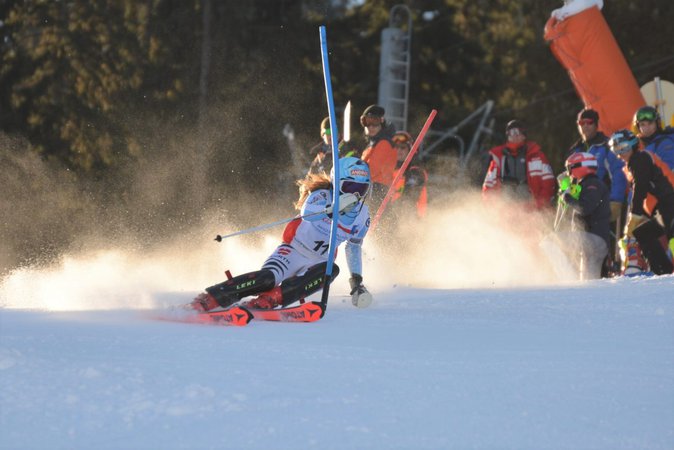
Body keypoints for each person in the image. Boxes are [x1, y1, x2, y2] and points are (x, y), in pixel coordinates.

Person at [190, 157, 374, 311]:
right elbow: (307, 213)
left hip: (319, 261)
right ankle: (212, 297)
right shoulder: (322, 196)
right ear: (336, 184)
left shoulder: (362, 216)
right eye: (350, 187)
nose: (356, 195)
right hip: (293, 251)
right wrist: (330, 210)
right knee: (267, 279)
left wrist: (356, 280)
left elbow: (354, 246)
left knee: (331, 270)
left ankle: (270, 300)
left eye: (362, 189)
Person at [608, 129, 674, 275]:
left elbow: (641, 187)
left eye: (623, 147)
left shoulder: (640, 158)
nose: (620, 153)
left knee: (664, 235)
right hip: (662, 207)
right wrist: (640, 213)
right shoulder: (633, 163)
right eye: (616, 150)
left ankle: (664, 271)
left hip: (669, 204)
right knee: (644, 233)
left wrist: (635, 214)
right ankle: (663, 271)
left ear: (633, 145)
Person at [556, 152, 611, 279]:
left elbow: (585, 208)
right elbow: (568, 212)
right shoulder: (583, 185)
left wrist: (568, 197)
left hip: (594, 239)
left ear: (579, 167)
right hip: (587, 239)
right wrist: (565, 190)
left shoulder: (593, 185)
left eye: (570, 169)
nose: (568, 173)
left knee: (590, 280)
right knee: (585, 278)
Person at [482, 120, 556, 210]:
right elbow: (488, 185)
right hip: (505, 209)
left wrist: (539, 205)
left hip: (530, 208)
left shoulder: (536, 156)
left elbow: (548, 183)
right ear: (507, 135)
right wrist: (492, 209)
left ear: (523, 135)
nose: (514, 135)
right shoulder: (499, 158)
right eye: (511, 132)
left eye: (517, 132)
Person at [568, 108, 627, 222]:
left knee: (602, 237)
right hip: (582, 203)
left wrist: (616, 200)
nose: (585, 126)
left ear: (596, 124)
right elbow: (572, 177)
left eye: (589, 122)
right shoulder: (575, 150)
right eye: (582, 123)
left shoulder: (606, 145)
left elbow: (618, 172)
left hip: (603, 200)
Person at [359, 105, 397, 208]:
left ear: (381, 122)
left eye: (375, 123)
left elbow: (372, 170)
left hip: (378, 192)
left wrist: (355, 165)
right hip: (370, 191)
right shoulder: (372, 144)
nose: (371, 127)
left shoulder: (384, 142)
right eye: (367, 122)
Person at [390, 131, 428, 219]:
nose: (398, 150)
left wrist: (388, 211)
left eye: (402, 148)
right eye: (396, 147)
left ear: (410, 150)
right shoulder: (389, 170)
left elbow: (409, 198)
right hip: (393, 219)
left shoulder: (416, 171)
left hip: (411, 221)